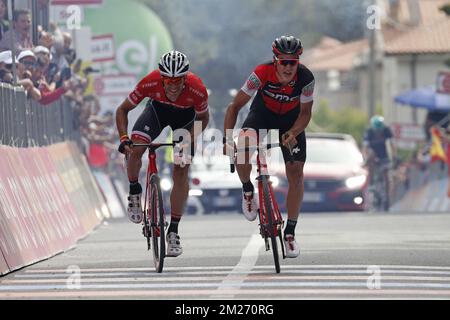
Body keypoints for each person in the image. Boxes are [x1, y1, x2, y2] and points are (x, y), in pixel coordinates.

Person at [223, 35, 315, 258]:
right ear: (275, 60)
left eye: (293, 62)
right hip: (261, 116)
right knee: (243, 150)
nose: (288, 67)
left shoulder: (306, 78)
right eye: (284, 62)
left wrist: (294, 132)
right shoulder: (261, 73)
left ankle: (290, 233)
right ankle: (247, 190)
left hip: (290, 122)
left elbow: (305, 114)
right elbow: (234, 106)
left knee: (296, 173)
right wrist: (227, 140)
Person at [115, 50, 210, 257]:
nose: (173, 86)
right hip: (156, 113)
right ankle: (134, 191)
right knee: (136, 148)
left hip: (186, 120)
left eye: (178, 80)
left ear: (185, 78)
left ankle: (173, 231)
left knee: (181, 169)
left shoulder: (197, 88)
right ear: (162, 78)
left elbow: (203, 118)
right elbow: (122, 110)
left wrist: (189, 139)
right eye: (169, 80)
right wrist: (124, 138)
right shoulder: (149, 82)